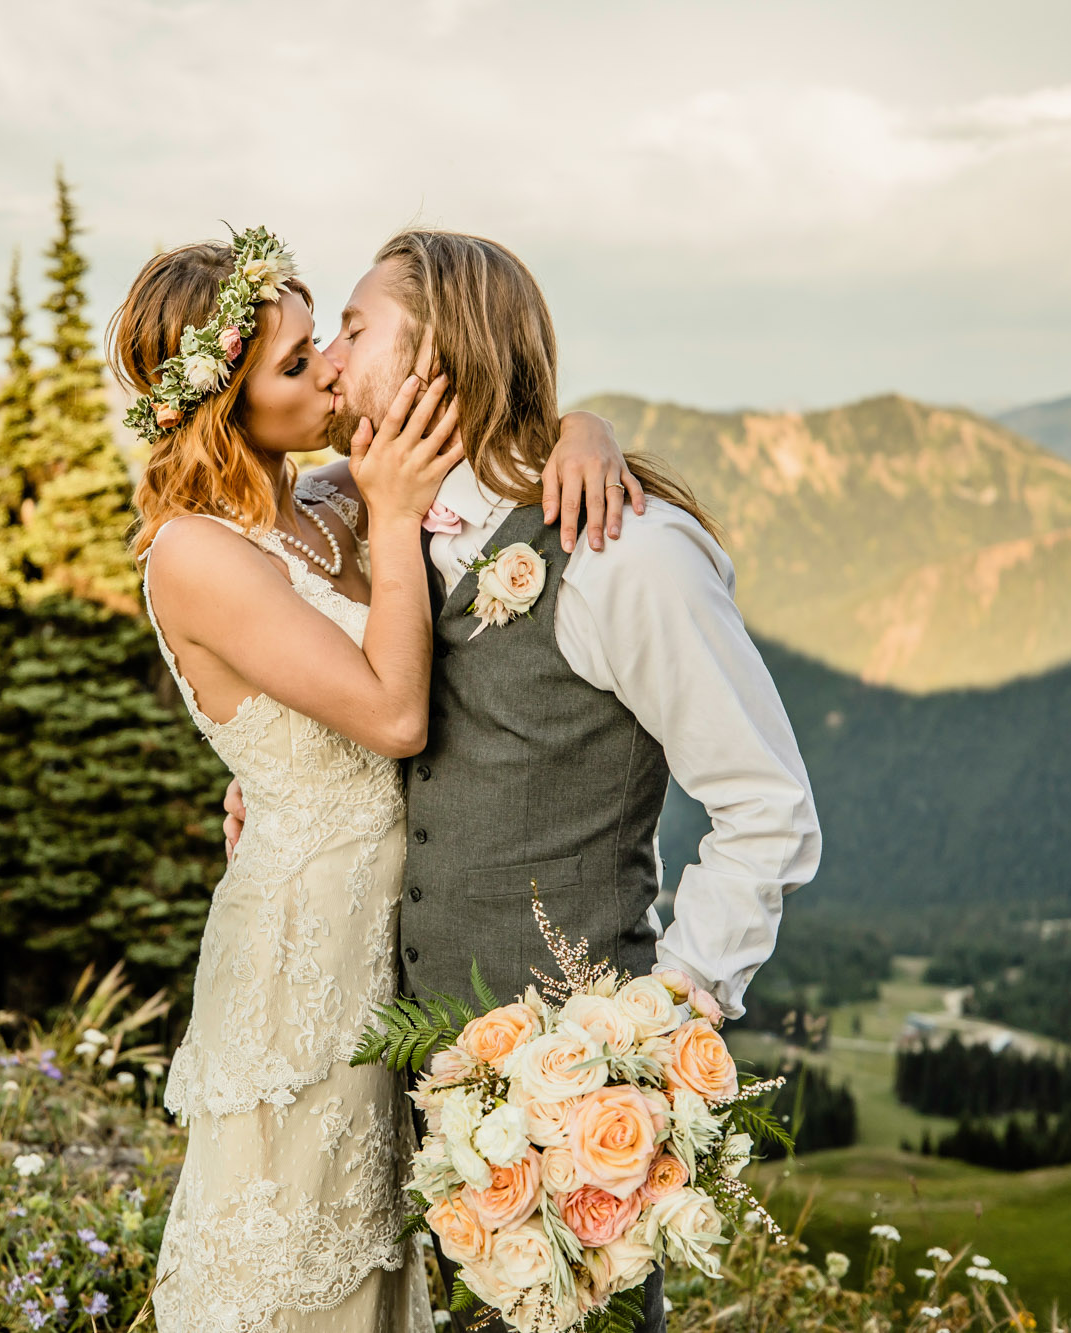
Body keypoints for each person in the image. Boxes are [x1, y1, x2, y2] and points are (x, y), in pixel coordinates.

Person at [111, 227, 642, 1333]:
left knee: (384, 1252)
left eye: (325, 343)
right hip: (301, 952)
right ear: (224, 406)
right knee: (293, 1253)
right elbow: (394, 715)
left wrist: (583, 432)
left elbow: (495, 437)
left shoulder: (324, 500)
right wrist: (394, 522)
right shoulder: (193, 552)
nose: (332, 373)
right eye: (298, 364)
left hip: (397, 934)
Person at [300, 229, 822, 1333]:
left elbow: (763, 806)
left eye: (353, 329)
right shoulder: (370, 520)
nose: (331, 362)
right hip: (406, 1108)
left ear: (438, 347)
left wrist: (657, 1034)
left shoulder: (624, 550)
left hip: (571, 1129)